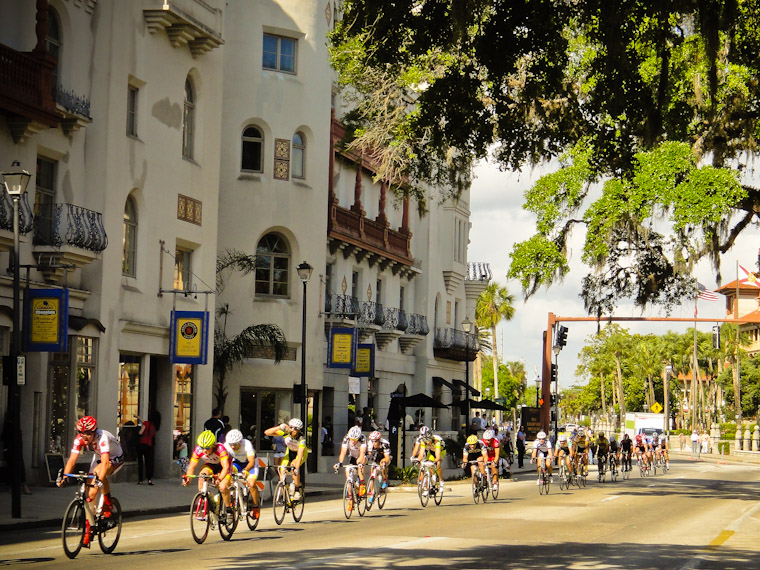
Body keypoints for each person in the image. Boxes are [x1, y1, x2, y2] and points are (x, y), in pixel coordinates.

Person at [57, 416, 124, 547]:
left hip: (114, 458)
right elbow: (71, 460)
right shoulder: (79, 440)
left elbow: (105, 462)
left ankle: (108, 502)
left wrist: (98, 480)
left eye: (88, 433)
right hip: (98, 456)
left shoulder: (102, 437)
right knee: (87, 495)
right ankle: (90, 528)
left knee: (97, 478)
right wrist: (64, 477)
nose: (85, 436)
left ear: (94, 432)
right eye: (82, 433)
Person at [182, 430, 234, 523]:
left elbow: (225, 467)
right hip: (210, 465)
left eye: (207, 448)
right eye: (202, 447)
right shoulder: (198, 450)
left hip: (224, 467)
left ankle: (229, 509)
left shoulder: (220, 448)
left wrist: (220, 479)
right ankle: (204, 501)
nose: (204, 450)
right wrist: (188, 478)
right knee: (202, 476)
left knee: (222, 487)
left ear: (213, 445)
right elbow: (191, 466)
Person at [264, 418, 307, 500]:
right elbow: (267, 432)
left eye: (295, 429)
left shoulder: (301, 438)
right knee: (282, 473)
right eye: (291, 427)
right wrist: (279, 427)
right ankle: (286, 497)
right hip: (289, 452)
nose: (293, 430)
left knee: (294, 467)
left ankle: (297, 489)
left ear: (299, 430)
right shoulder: (286, 433)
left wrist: (296, 468)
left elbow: (300, 454)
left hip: (300, 454)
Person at [223, 429, 260, 518]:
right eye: (230, 444)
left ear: (240, 442)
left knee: (251, 484)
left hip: (250, 464)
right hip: (237, 463)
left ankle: (256, 506)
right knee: (227, 478)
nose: (232, 447)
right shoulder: (226, 446)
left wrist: (246, 470)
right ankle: (232, 499)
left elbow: (251, 462)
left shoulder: (246, 444)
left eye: (235, 444)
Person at [411, 426, 446, 496]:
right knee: (428, 467)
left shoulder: (437, 441)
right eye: (426, 441)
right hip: (431, 451)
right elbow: (421, 453)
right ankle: (428, 487)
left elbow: (438, 456)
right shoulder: (423, 441)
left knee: (438, 463)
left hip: (440, 451)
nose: (427, 443)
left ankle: (441, 481)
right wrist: (418, 460)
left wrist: (435, 461)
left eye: (429, 441)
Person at [334, 425, 367, 496]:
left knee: (360, 465)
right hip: (352, 456)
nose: (353, 441)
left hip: (361, 456)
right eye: (352, 439)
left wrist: (359, 463)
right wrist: (340, 462)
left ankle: (362, 483)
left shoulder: (362, 438)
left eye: (355, 440)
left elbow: (362, 453)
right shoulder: (346, 438)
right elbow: (343, 452)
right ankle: (350, 497)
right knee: (347, 470)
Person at [365, 430, 392, 500]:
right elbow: (369, 454)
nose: (374, 443)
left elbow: (387, 457)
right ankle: (372, 493)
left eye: (376, 441)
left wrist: (384, 462)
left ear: (379, 440)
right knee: (372, 471)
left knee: (383, 464)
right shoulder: (370, 444)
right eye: (372, 441)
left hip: (384, 456)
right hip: (376, 456)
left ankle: (385, 480)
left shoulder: (385, 444)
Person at [136, 412, 157, 485]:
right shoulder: (153, 427)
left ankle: (140, 480)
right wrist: (138, 416)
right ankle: (149, 479)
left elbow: (140, 433)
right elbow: (142, 420)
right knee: (148, 462)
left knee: (140, 463)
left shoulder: (146, 424)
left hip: (142, 444)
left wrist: (138, 430)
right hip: (149, 446)